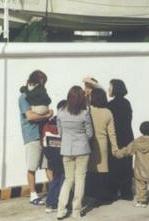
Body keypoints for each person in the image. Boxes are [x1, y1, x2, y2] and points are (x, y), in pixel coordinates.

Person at [56, 86, 93, 220]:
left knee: (68, 179)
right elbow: (90, 134)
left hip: (66, 149)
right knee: (80, 179)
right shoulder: (84, 113)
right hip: (82, 149)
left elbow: (60, 132)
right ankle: (76, 211)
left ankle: (61, 209)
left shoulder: (60, 112)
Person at [18, 70, 53, 206]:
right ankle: (33, 195)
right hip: (32, 135)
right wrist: (46, 116)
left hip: (43, 134)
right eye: (42, 81)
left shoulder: (41, 96)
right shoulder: (24, 97)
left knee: (48, 165)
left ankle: (54, 191)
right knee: (32, 166)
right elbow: (30, 116)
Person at [114, 121, 149, 208]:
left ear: (141, 131)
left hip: (140, 170)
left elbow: (127, 150)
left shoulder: (137, 142)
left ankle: (142, 201)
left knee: (140, 185)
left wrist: (117, 153)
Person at [86, 88, 119, 205]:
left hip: (89, 144)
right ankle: (103, 197)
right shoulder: (108, 112)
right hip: (103, 144)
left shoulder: (88, 110)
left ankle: (90, 195)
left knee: (90, 169)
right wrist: (115, 147)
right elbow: (112, 133)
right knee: (103, 170)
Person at [107, 79, 135, 201]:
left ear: (115, 89)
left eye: (110, 87)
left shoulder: (111, 105)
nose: (109, 89)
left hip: (116, 137)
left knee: (113, 164)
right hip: (128, 136)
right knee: (126, 164)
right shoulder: (127, 103)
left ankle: (113, 191)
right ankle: (126, 192)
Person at [43, 100, 66, 213]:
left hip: (52, 157)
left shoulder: (48, 124)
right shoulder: (64, 123)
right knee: (64, 179)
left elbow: (45, 144)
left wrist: (50, 157)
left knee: (56, 179)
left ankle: (50, 203)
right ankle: (62, 204)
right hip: (63, 156)